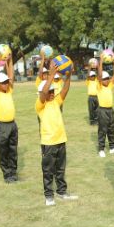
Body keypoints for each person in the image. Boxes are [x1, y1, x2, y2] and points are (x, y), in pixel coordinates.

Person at [36, 59, 78, 206]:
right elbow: (43, 92)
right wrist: (51, 75)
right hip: (49, 143)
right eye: (50, 91)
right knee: (48, 170)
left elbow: (65, 90)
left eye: (53, 90)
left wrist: (68, 76)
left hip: (61, 140)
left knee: (60, 169)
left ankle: (61, 191)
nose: (52, 93)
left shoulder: (56, 102)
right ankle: (49, 196)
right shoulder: (40, 105)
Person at [0, 52, 18, 183]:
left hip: (12, 125)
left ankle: (13, 173)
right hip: (1, 126)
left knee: (13, 150)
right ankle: (7, 174)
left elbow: (11, 75)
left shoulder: (9, 91)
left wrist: (10, 61)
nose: (6, 84)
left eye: (7, 82)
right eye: (3, 83)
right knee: (3, 151)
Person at [96, 55, 114, 158]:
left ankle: (112, 147)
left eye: (107, 79)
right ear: (101, 80)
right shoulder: (99, 86)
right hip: (102, 111)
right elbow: (99, 74)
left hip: (110, 110)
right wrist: (101, 61)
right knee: (102, 130)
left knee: (112, 129)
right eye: (104, 79)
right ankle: (101, 149)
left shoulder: (110, 85)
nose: (106, 80)